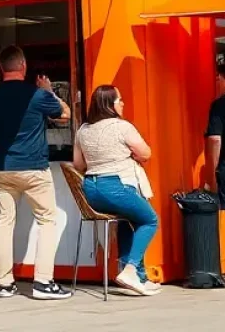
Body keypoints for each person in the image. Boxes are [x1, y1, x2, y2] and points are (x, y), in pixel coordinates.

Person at [0, 45, 72, 300]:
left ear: (1, 68)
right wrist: (49, 91)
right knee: (47, 220)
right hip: (34, 168)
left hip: (3, 169)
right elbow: (64, 115)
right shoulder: (37, 95)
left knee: (3, 224)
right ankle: (43, 282)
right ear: (23, 66)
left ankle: (4, 283)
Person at [73, 84, 159, 296]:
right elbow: (146, 153)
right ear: (110, 104)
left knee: (127, 220)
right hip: (116, 186)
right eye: (119, 100)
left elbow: (78, 165)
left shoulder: (83, 130)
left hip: (91, 190)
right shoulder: (122, 127)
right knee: (149, 220)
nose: (122, 103)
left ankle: (138, 278)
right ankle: (130, 271)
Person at [205, 61, 225, 239]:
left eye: (219, 79)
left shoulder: (220, 105)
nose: (217, 83)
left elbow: (215, 139)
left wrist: (212, 172)